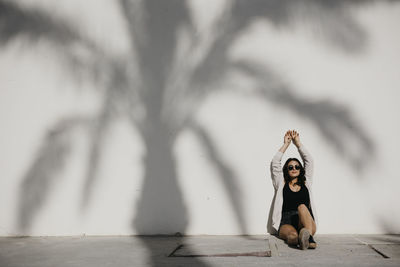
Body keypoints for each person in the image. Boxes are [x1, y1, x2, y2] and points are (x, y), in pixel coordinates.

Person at [270, 130, 318, 249]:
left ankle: (308, 235)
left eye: (297, 167)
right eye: (290, 167)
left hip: (306, 220)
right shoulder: (281, 183)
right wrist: (286, 144)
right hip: (286, 221)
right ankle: (303, 240)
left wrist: (298, 144)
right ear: (286, 170)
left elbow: (309, 161)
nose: (294, 169)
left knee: (302, 207)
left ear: (301, 169)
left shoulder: (306, 181)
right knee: (292, 235)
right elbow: (275, 163)